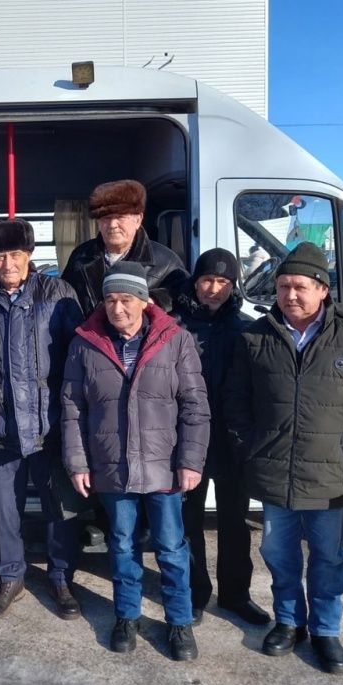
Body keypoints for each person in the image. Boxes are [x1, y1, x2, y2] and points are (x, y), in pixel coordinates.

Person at [224, 242, 343, 674]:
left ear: (323, 289)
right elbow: (235, 403)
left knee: (328, 558)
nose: (290, 295)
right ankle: (288, 621)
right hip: (274, 472)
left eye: (300, 286)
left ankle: (324, 630)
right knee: (279, 554)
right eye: (283, 287)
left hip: (333, 476)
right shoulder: (256, 336)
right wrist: (251, 448)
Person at [61, 261, 210, 660]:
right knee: (121, 545)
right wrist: (78, 462)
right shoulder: (85, 343)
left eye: (126, 299)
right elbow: (72, 408)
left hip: (164, 467)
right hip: (112, 467)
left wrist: (191, 461)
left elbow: (195, 406)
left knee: (172, 548)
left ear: (144, 301)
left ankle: (179, 621)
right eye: (110, 300)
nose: (118, 309)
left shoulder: (175, 340)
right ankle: (127, 615)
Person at [0, 218, 84, 621]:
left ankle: (61, 576)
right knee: (5, 510)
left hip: (50, 425)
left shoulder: (58, 294)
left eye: (15, 255)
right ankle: (9, 576)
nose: (7, 263)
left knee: (58, 508)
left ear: (29, 256)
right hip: (0, 424)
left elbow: (76, 356)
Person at [171, 249, 270, 626]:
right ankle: (195, 592)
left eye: (223, 283)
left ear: (234, 286)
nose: (213, 289)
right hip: (186, 442)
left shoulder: (245, 329)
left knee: (234, 520)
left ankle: (236, 595)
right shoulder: (175, 327)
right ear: (195, 282)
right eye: (207, 281)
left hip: (231, 442)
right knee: (188, 521)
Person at [61, 179, 188, 316]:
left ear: (138, 220)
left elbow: (185, 296)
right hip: (89, 336)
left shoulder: (166, 261)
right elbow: (63, 297)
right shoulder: (80, 256)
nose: (112, 225)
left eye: (120, 217)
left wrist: (153, 300)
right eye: (106, 218)